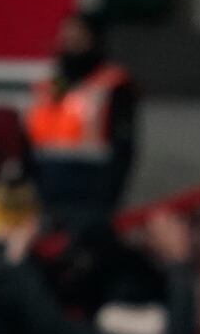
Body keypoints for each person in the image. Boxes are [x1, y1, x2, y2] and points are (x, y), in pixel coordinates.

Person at [25, 11, 137, 224]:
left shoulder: (113, 84)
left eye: (79, 36)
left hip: (91, 186)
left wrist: (111, 194)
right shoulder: (48, 85)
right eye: (67, 37)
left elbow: (124, 146)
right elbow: (30, 138)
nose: (71, 43)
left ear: (94, 39)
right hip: (45, 184)